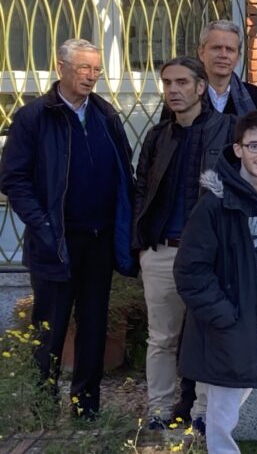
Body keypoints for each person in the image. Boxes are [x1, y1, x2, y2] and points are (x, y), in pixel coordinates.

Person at [0, 39, 135, 418]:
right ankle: (43, 408)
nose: (91, 76)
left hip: (99, 240)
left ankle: (86, 408)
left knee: (93, 327)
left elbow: (123, 174)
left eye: (96, 69)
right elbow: (13, 179)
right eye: (84, 68)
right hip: (55, 242)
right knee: (50, 329)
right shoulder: (34, 117)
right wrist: (42, 224)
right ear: (61, 67)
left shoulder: (107, 115)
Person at [173, 109, 257, 453]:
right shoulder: (214, 205)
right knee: (222, 416)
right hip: (233, 323)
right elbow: (190, 271)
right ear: (238, 149)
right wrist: (225, 316)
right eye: (254, 146)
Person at [132, 57, 231, 429]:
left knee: (206, 334)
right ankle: (157, 411)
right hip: (162, 251)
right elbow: (141, 188)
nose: (173, 90)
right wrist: (141, 246)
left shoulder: (227, 131)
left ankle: (204, 413)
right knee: (161, 339)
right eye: (167, 83)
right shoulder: (159, 136)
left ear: (200, 88)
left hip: (208, 255)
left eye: (181, 83)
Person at [196, 20, 257, 115]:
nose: (223, 55)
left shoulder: (256, 98)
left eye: (230, 50)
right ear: (201, 52)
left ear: (238, 57)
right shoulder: (186, 95)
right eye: (216, 48)